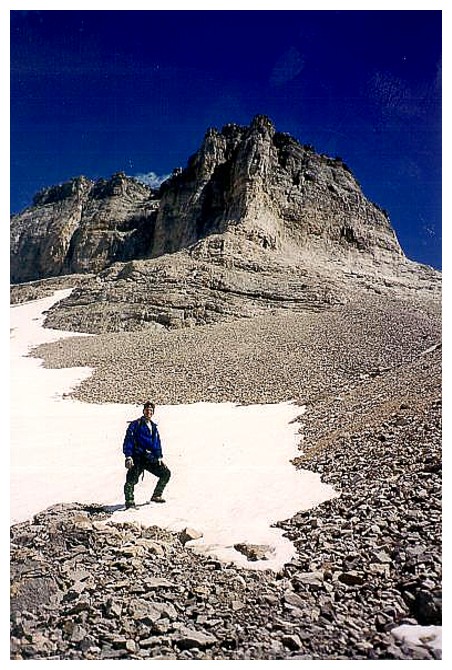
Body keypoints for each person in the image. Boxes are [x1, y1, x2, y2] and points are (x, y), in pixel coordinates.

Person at [123, 401, 171, 509]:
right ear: (143, 411)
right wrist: (128, 456)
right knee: (131, 479)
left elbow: (156, 443)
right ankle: (129, 502)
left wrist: (159, 457)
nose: (149, 412)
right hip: (138, 457)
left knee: (165, 473)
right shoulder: (136, 424)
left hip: (149, 458)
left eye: (151, 411)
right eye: (147, 410)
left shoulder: (153, 427)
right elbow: (128, 440)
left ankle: (156, 495)